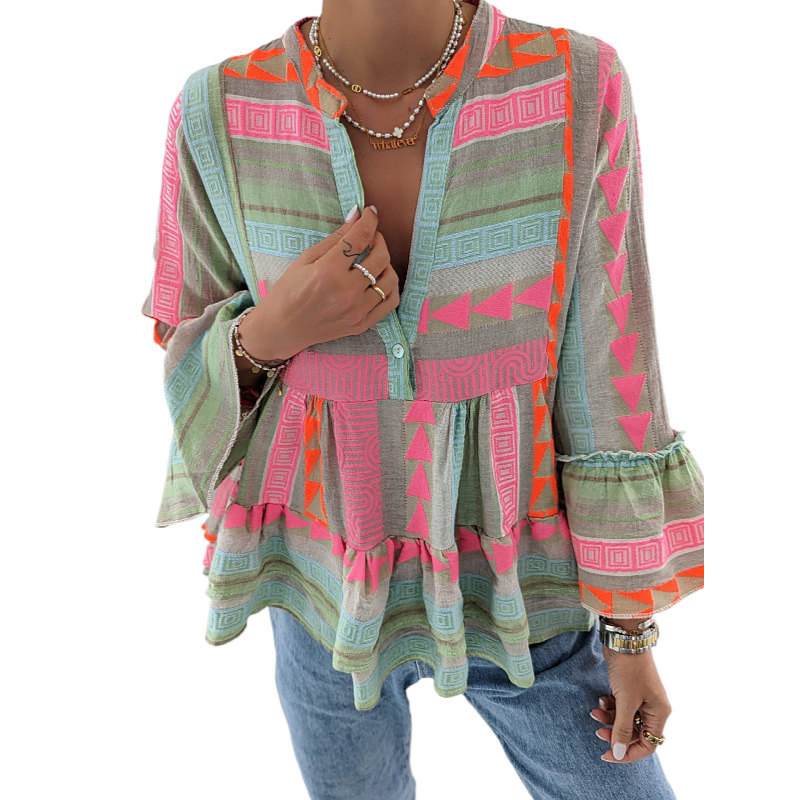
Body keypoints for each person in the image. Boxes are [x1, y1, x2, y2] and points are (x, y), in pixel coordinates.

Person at [141, 1, 705, 797]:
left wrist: (630, 629)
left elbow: (610, 369)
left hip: (525, 594)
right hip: (321, 599)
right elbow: (185, 366)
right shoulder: (219, 111)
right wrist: (270, 330)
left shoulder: (577, 85)